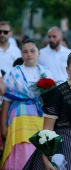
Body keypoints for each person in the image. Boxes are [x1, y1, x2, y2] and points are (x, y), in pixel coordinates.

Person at [0, 39, 54, 170]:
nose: (29, 54)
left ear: (39, 53)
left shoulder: (46, 72)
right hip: (19, 117)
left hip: (40, 117)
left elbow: (51, 99)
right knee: (20, 147)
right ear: (21, 54)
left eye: (32, 51)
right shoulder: (13, 73)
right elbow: (6, 99)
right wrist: (2, 125)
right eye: (25, 51)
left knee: (38, 146)